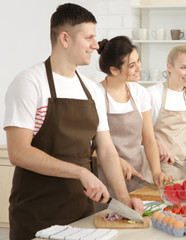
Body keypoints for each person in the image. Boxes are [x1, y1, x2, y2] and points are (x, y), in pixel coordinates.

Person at [3, 4, 143, 239]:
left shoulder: (91, 91)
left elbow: (107, 149)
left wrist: (123, 199)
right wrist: (80, 172)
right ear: (65, 38)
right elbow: (18, 152)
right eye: (88, 37)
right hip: (37, 216)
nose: (96, 45)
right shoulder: (30, 83)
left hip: (82, 214)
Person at [96, 36, 172, 194]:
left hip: (137, 176)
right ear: (114, 70)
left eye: (138, 61)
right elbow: (89, 147)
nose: (139, 68)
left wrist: (157, 172)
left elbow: (149, 138)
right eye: (132, 65)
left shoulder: (140, 93)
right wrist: (116, 162)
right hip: (103, 178)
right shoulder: (95, 94)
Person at [147, 45, 186, 179]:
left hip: (182, 171)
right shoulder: (153, 94)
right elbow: (140, 135)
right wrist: (157, 143)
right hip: (156, 170)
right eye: (184, 67)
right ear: (169, 67)